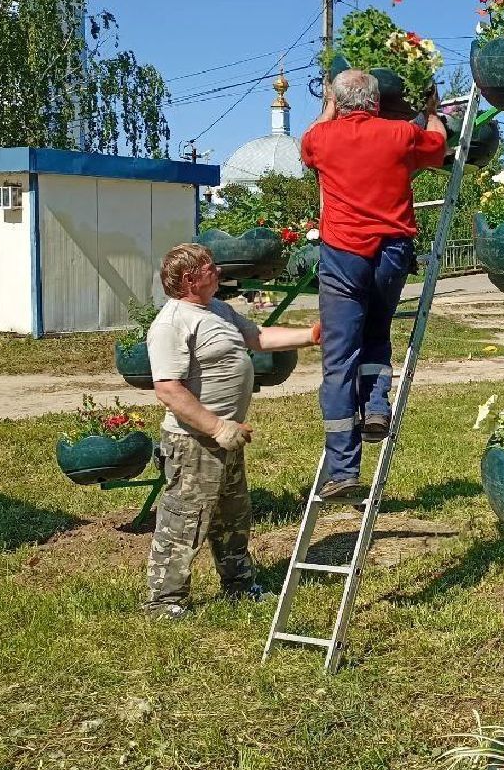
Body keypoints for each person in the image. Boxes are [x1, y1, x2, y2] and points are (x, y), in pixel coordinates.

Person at [142, 242, 321, 618]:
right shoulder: (173, 323)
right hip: (194, 442)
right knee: (184, 521)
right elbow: (168, 389)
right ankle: (164, 601)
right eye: (209, 267)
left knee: (233, 517)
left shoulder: (217, 309)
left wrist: (311, 334)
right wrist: (217, 427)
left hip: (227, 437)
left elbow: (258, 338)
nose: (217, 271)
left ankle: (239, 585)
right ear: (189, 279)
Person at [301, 69, 446, 500]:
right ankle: (377, 406)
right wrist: (433, 112)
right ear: (377, 102)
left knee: (339, 358)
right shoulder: (401, 134)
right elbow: (438, 147)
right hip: (392, 253)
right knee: (378, 333)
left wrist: (329, 104)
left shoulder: (320, 140)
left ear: (339, 102)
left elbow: (314, 136)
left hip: (344, 255)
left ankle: (343, 468)